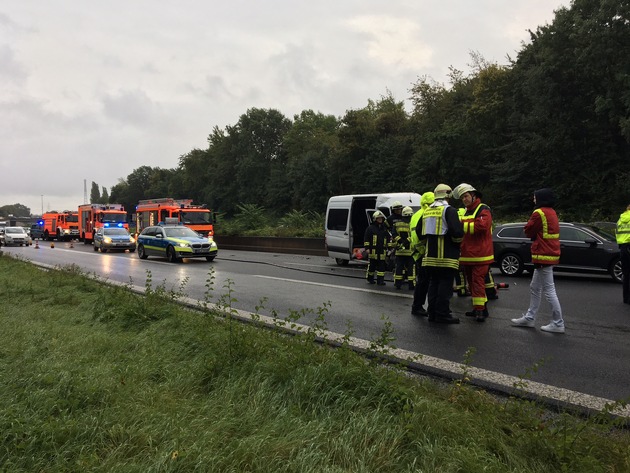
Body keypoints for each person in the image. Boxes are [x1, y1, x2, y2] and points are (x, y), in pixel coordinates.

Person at [511, 188, 565, 333]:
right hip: (549, 253)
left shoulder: (539, 213)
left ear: (541, 198)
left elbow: (528, 230)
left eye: (535, 197)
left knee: (549, 290)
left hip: (543, 253)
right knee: (535, 287)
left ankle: (558, 323)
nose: (533, 199)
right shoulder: (552, 211)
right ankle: (530, 318)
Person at [417, 184, 464, 324]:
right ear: (448, 195)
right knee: (445, 286)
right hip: (447, 257)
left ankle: (432, 313)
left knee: (433, 284)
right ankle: (442, 314)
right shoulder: (449, 210)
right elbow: (457, 233)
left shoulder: (426, 211)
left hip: (429, 257)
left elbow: (419, 233)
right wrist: (456, 244)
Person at [452, 183, 494, 322]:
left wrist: (461, 226)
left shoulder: (483, 209)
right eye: (462, 197)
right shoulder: (465, 211)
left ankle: (480, 311)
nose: (464, 199)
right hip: (467, 255)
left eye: (466, 196)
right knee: (471, 283)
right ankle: (479, 308)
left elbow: (481, 226)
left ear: (473, 195)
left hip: (481, 254)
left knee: (477, 282)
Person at [410, 191, 434, 316]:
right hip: (424, 252)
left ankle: (417, 306)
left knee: (422, 282)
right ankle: (419, 307)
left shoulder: (416, 214)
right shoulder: (426, 214)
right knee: (426, 282)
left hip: (418, 252)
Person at [392, 206, 415, 289]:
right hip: (410, 252)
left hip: (400, 251)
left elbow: (394, 234)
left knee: (399, 268)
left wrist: (400, 241)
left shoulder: (397, 224)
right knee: (411, 269)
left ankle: (398, 284)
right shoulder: (413, 223)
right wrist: (407, 241)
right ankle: (411, 285)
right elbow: (414, 235)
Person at [364, 210, 389, 285]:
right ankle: (370, 278)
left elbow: (388, 238)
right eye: (378, 218)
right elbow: (366, 239)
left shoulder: (384, 229)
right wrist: (367, 248)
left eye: (381, 218)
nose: (380, 219)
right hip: (373, 251)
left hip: (382, 251)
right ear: (375, 219)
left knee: (381, 267)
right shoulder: (370, 228)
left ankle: (380, 281)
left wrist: (389, 248)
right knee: (372, 266)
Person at [615, 204, 630, 304]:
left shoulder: (620, 220)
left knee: (626, 274)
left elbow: (616, 233)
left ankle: (626, 298)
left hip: (623, 248)